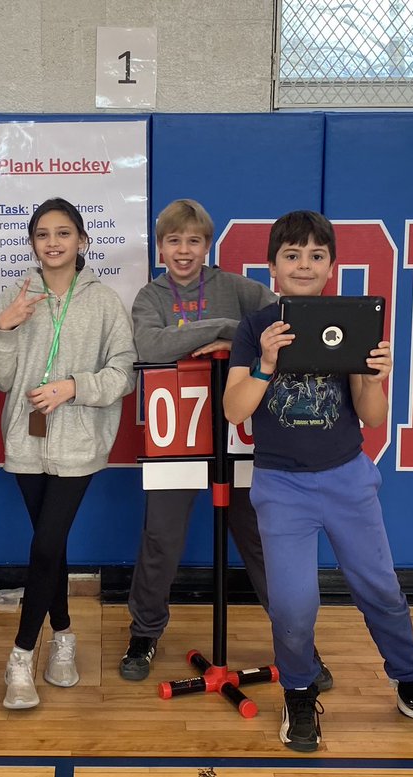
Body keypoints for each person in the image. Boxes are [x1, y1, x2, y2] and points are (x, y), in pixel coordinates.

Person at [223, 211, 413, 752]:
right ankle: (298, 692)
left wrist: (371, 376)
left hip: (347, 478)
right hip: (282, 485)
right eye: (292, 255)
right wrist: (267, 362)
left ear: (331, 266)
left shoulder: (354, 320)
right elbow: (234, 410)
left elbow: (372, 416)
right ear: (272, 266)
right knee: (295, 606)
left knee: (381, 591)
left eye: (316, 256)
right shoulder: (255, 328)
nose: (304, 265)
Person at [121, 199, 332, 690]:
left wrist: (228, 342)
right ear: (160, 247)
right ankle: (144, 633)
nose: (184, 250)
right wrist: (225, 332)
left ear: (207, 245)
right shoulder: (149, 297)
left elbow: (285, 327)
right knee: (161, 540)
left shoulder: (238, 288)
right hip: (174, 435)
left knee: (261, 543)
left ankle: (298, 645)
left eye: (193, 240)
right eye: (174, 241)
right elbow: (149, 346)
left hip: (241, 433)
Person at [0, 197, 136, 709]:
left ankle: (22, 655)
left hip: (79, 441)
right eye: (43, 234)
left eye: (64, 233)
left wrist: (73, 386)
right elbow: (1, 378)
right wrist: (3, 328)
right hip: (27, 439)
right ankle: (65, 635)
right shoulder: (18, 293)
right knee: (53, 545)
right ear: (32, 243)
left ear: (82, 242)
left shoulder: (104, 301)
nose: (53, 242)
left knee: (46, 544)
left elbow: (124, 373)